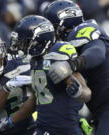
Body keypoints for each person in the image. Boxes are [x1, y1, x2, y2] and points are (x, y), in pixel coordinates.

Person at [10, 15, 91, 135]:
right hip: (43, 128)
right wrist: (10, 121)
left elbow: (86, 92)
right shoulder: (35, 60)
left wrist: (78, 91)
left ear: (38, 40)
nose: (21, 47)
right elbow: (36, 98)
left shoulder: (59, 52)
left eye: (25, 42)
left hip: (66, 129)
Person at [43, 0, 109, 134]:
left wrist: (72, 65)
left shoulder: (84, 31)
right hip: (100, 110)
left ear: (64, 25)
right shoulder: (68, 47)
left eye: (53, 27)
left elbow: (97, 53)